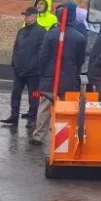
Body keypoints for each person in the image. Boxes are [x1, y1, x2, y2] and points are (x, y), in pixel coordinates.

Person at [30, 12, 87, 145]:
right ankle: (62, 137)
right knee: (65, 109)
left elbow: (43, 55)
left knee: (44, 107)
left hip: (50, 77)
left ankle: (38, 136)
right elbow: (81, 60)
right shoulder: (80, 38)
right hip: (68, 79)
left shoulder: (50, 34)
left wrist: (43, 72)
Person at [2, 6, 44, 126]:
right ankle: (14, 116)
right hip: (19, 69)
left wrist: (33, 66)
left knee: (33, 96)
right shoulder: (21, 31)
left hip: (33, 72)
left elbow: (41, 52)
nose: (25, 17)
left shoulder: (41, 32)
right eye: (25, 15)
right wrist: (14, 63)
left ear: (34, 17)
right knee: (15, 93)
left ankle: (32, 118)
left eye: (27, 15)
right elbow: (16, 48)